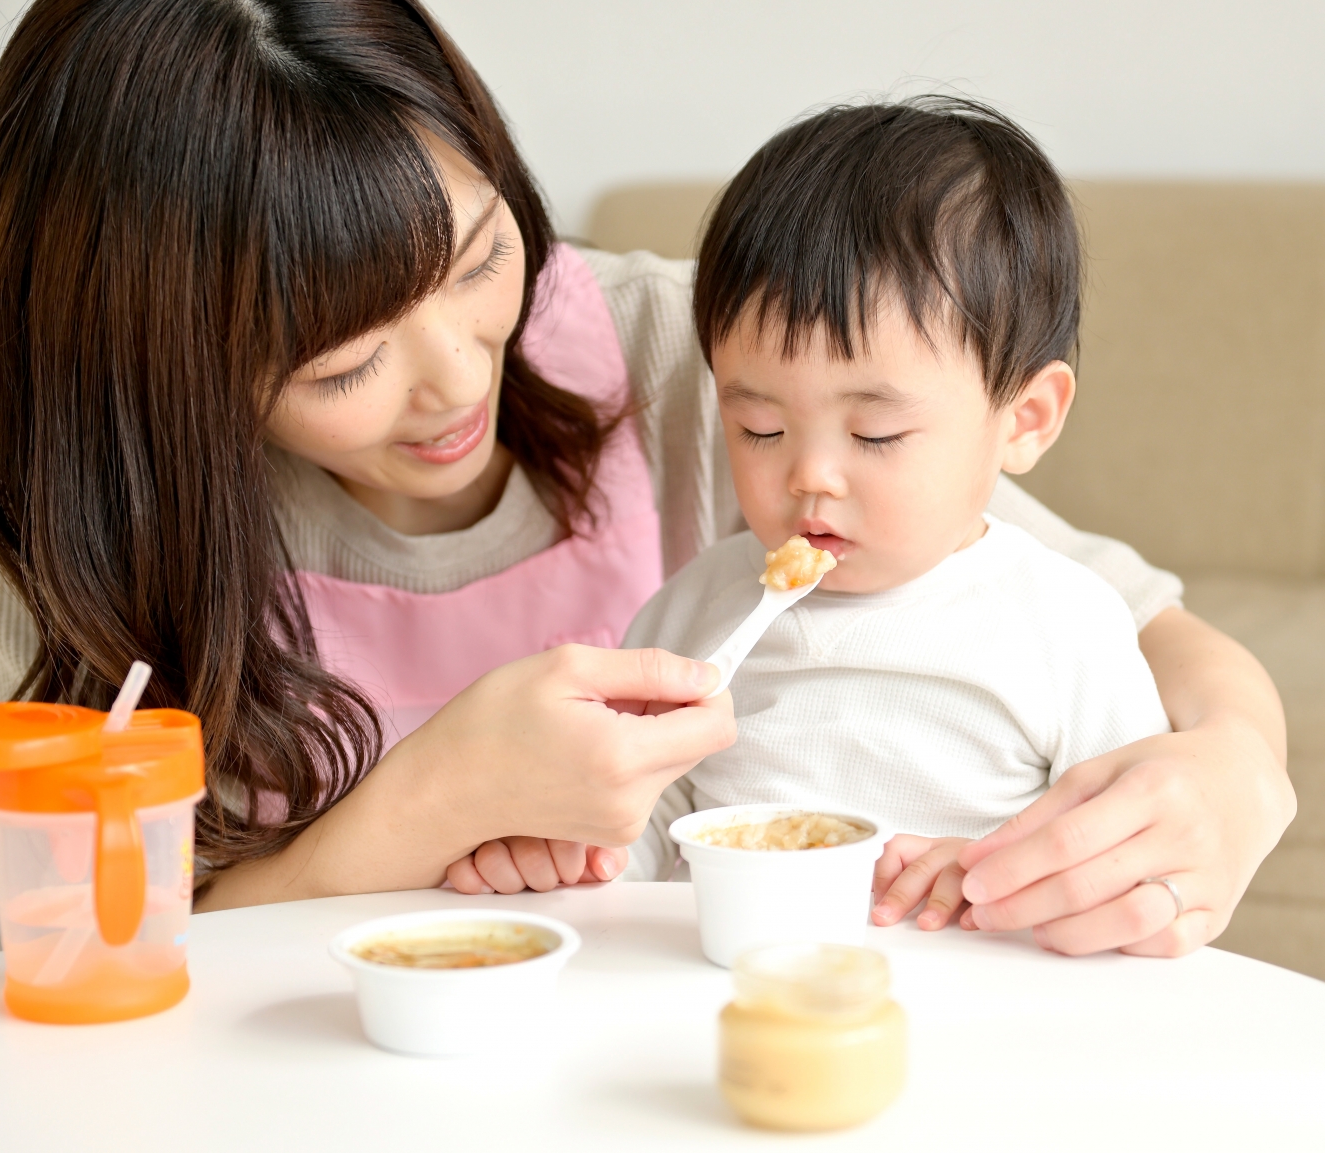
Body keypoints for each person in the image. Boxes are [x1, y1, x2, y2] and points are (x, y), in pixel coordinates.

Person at [0, 0, 1292, 953]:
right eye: (349, 359)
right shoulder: (82, 506)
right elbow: (93, 947)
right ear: (164, 378)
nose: (457, 379)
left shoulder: (694, 358)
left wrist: (1234, 772)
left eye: (482, 258)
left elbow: (1143, 633)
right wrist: (435, 801)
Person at [450, 98, 1187, 944]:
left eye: (874, 433)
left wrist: (999, 879)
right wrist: (575, 854)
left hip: (972, 1006)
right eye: (759, 428)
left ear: (1023, 419)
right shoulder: (700, 609)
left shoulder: (1065, 624)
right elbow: (647, 820)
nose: (809, 474)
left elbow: (1127, 858)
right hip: (726, 991)